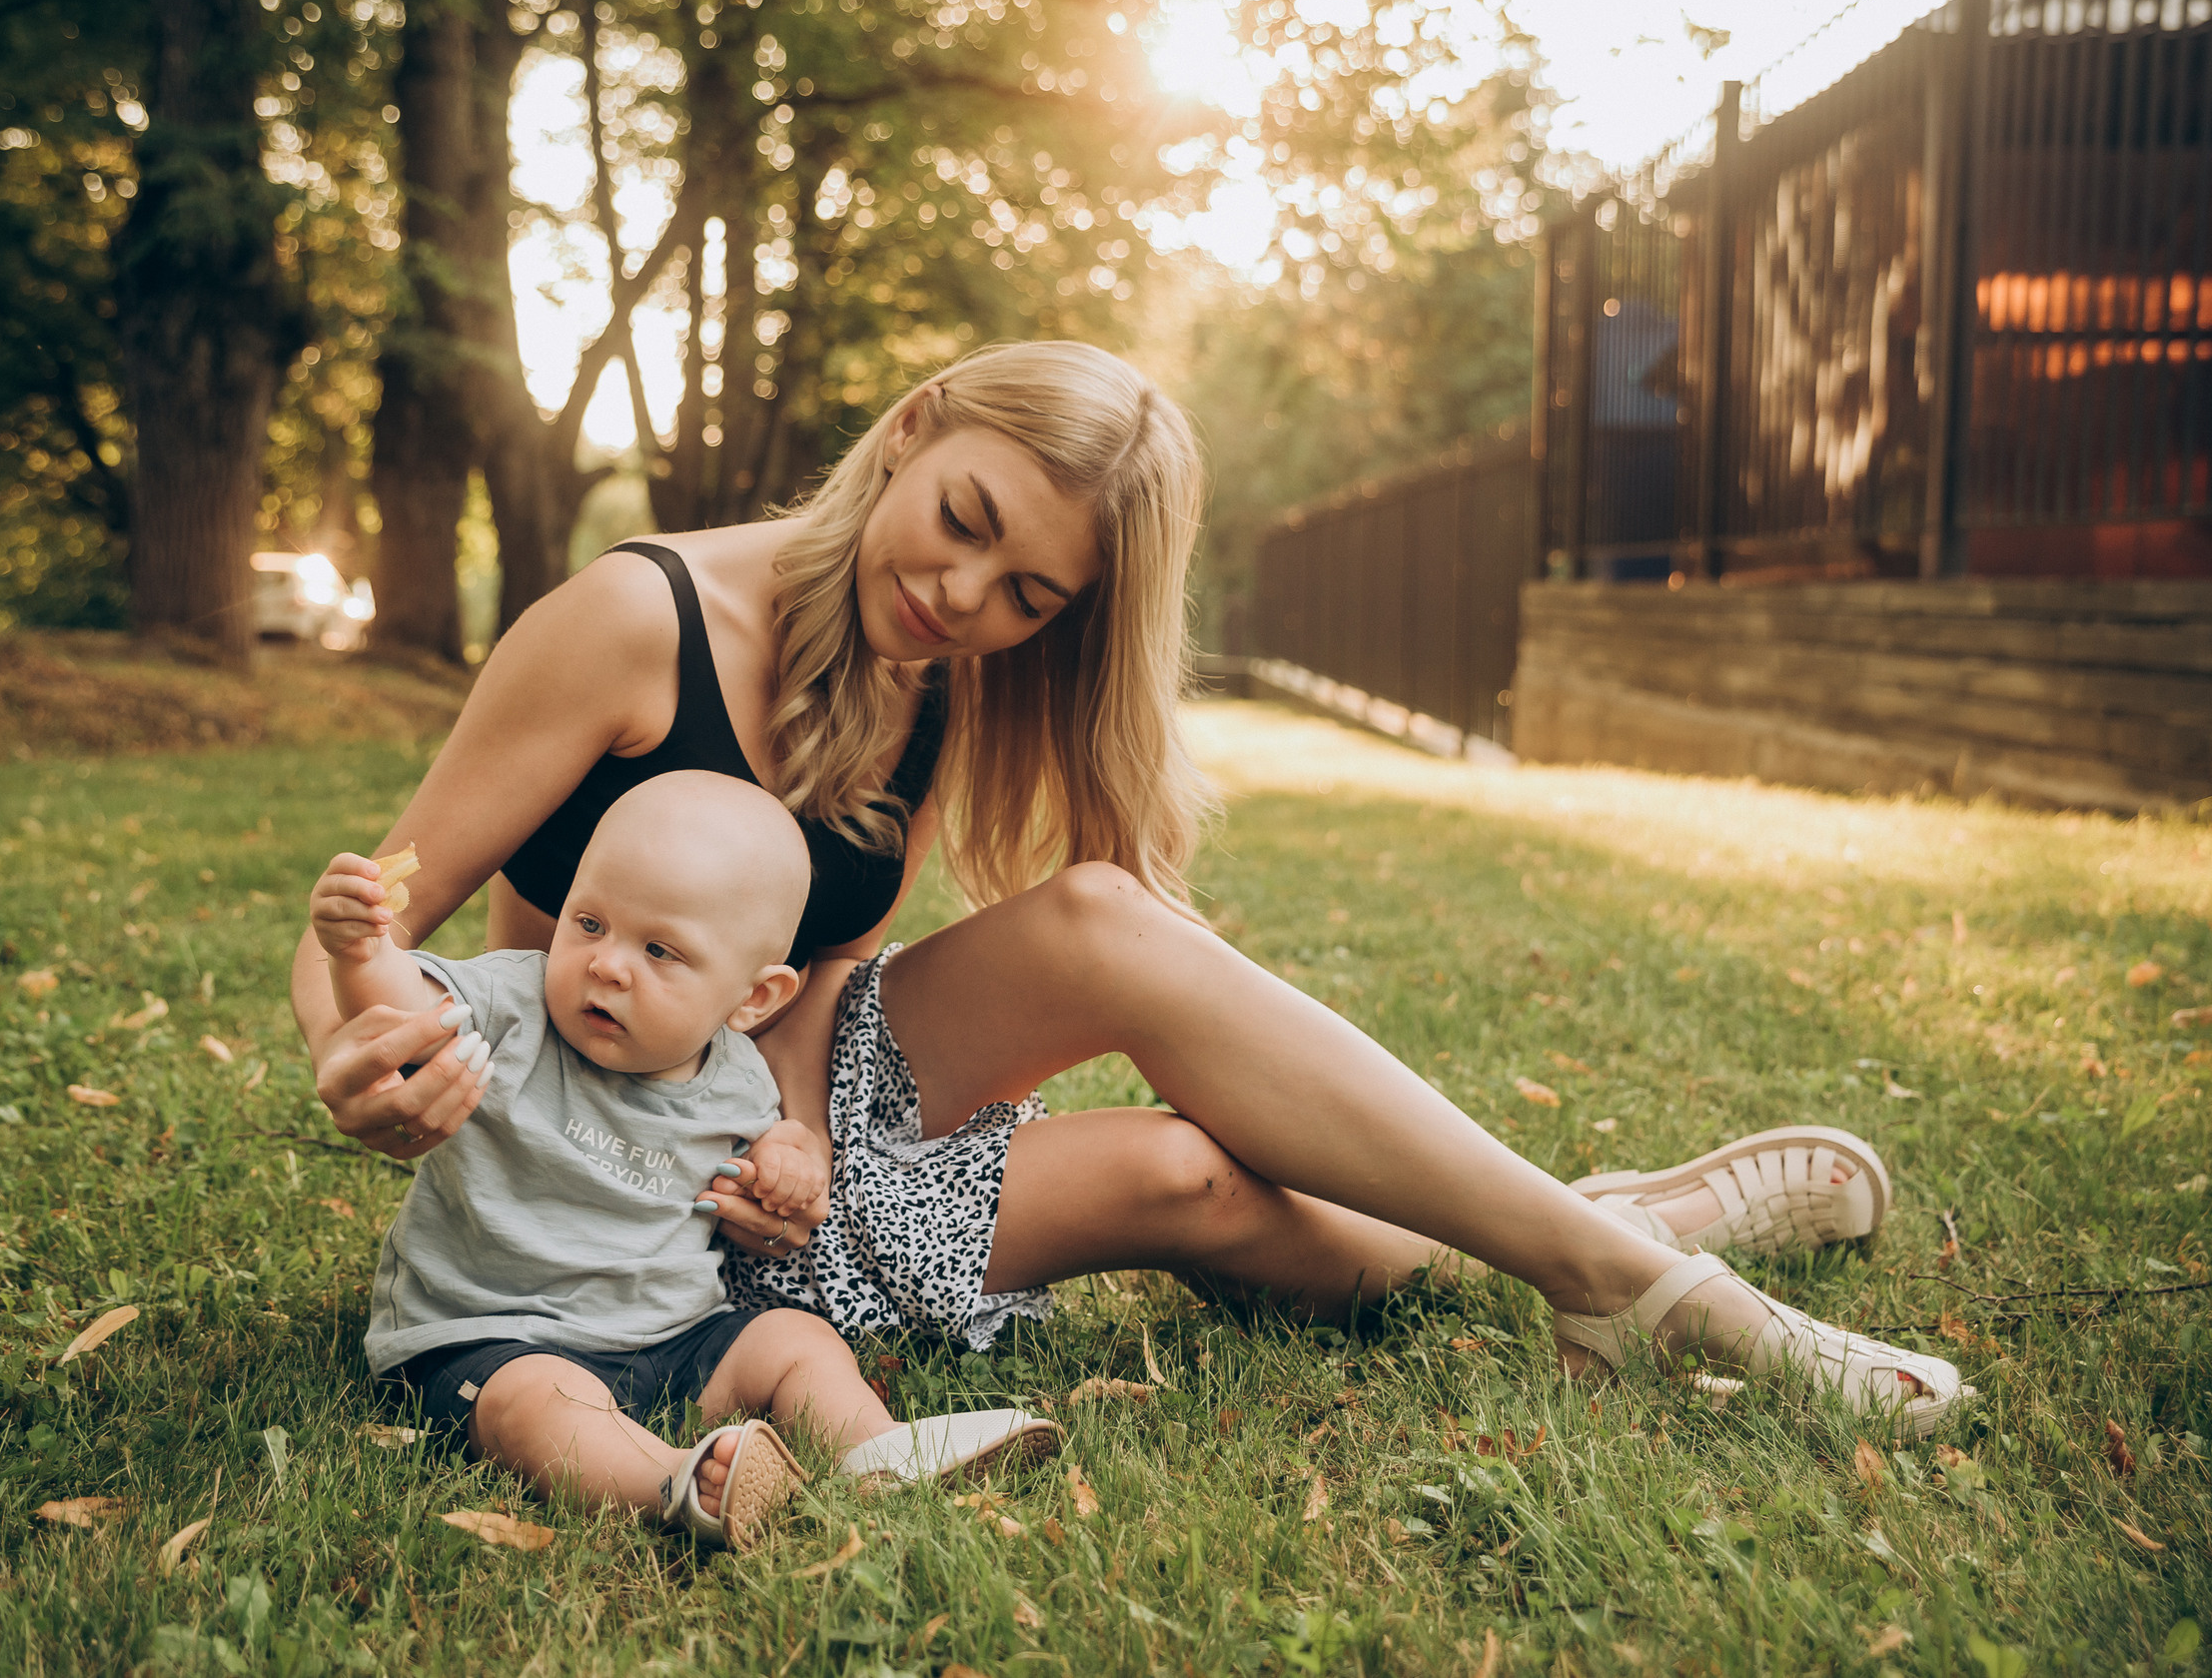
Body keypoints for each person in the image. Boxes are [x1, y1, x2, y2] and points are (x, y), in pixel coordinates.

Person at [296, 341, 1971, 1438]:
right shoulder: (630, 619)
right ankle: (1627, 1241)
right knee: (1193, 1180)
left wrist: (793, 1139)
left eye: (1026, 594)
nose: (961, 598)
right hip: (620, 1201)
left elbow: (807, 987)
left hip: (760, 1134)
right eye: (960, 524)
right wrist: (358, 1060)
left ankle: (1608, 1264)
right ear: (915, 429)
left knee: (1105, 912)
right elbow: (372, 914)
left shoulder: (933, 682)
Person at [310, 770, 1059, 1549]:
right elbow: (401, 1008)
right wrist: (362, 949)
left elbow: (772, 1151)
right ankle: (673, 1482)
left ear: (753, 999)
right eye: (590, 922)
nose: (608, 964)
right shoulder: (511, 1005)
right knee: (534, 1405)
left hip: (675, 1340)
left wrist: (792, 1154)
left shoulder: (737, 1076)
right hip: (497, 1334)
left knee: (792, 1340)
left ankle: (873, 1446)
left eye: (659, 949)